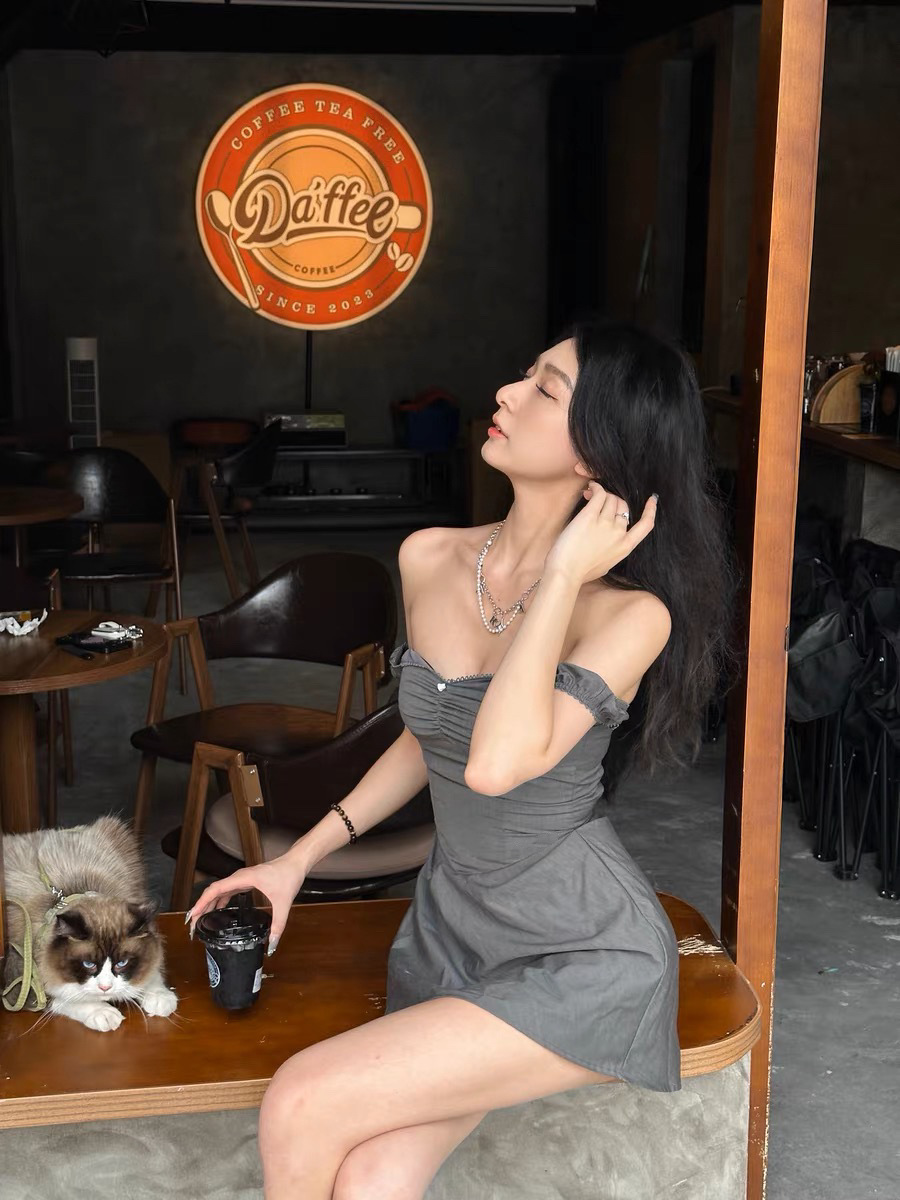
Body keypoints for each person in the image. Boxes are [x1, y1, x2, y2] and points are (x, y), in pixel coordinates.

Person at [186, 318, 737, 1200]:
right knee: (372, 1178)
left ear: (596, 453)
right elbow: (429, 739)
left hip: (583, 949)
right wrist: (297, 859)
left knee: (300, 1101)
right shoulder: (430, 557)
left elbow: (493, 766)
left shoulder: (630, 616)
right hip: (453, 930)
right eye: (524, 374)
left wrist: (563, 576)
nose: (506, 394)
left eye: (544, 389)